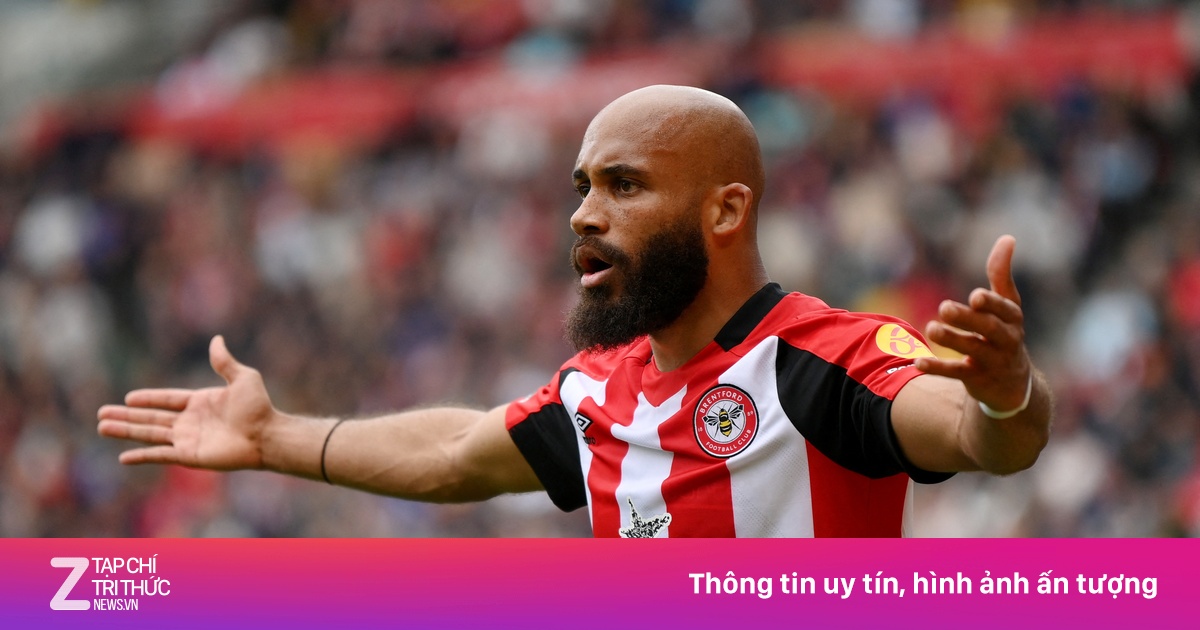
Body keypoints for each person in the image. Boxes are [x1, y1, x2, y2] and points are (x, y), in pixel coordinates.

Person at [97, 85, 1052, 537]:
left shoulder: (820, 359)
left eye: (624, 185)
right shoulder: (598, 393)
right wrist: (273, 439)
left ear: (725, 210)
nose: (584, 214)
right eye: (583, 186)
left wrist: (1006, 395)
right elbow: (453, 454)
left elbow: (981, 437)